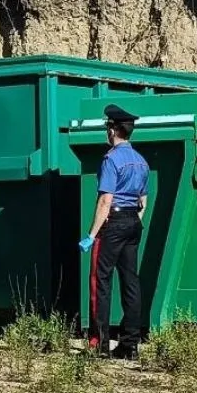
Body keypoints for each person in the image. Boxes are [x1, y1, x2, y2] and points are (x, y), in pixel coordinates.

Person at [80, 104, 149, 360]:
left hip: (113, 223)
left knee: (100, 282)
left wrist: (91, 234)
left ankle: (99, 343)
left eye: (107, 127)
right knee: (131, 283)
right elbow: (144, 199)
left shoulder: (111, 159)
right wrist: (133, 220)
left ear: (113, 130)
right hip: (132, 221)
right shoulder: (141, 161)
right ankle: (130, 345)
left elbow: (105, 201)